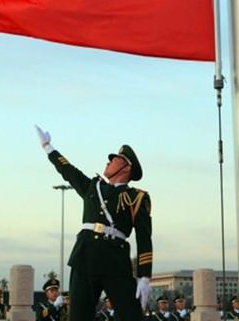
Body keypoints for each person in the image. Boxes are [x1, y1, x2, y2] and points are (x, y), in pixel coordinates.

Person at [36, 126, 153, 321]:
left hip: (115, 260)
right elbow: (68, 171)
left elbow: (144, 238)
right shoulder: (93, 186)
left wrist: (144, 276)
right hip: (85, 256)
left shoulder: (137, 197)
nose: (108, 161)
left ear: (127, 168)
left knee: (131, 316)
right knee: (79, 316)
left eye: (114, 159)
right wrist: (48, 147)